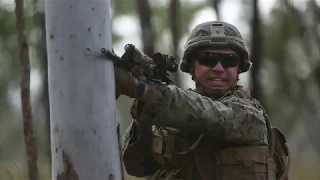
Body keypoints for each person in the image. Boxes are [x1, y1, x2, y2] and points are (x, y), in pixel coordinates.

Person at [115, 21, 290, 180]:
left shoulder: (249, 115)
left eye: (229, 61)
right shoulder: (173, 110)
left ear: (238, 69)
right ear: (192, 66)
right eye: (208, 59)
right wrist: (144, 114)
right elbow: (136, 166)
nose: (219, 68)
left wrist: (142, 89)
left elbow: (212, 115)